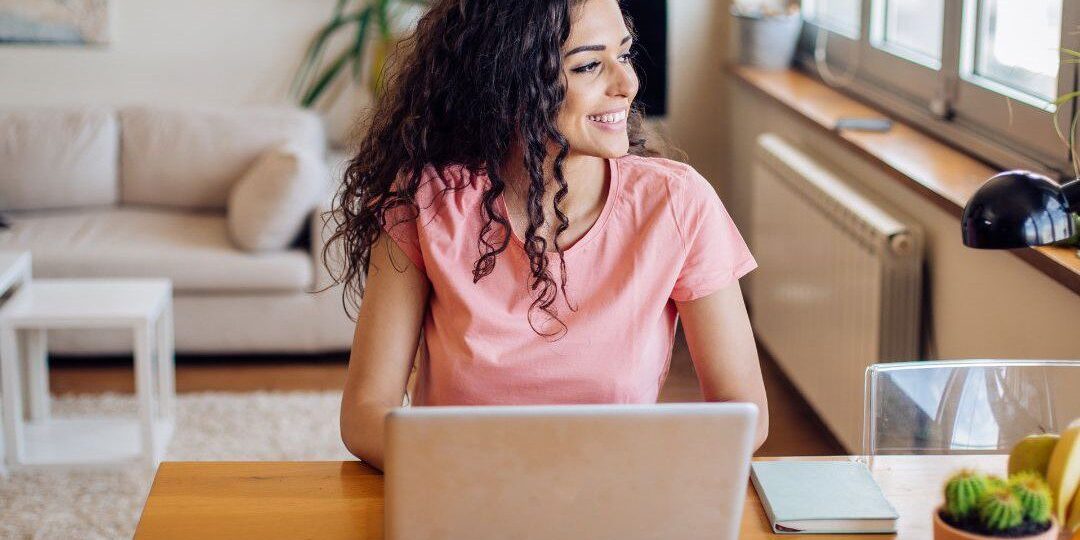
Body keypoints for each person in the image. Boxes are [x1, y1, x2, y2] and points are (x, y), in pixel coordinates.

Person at [325, 0, 768, 471]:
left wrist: (639, 470)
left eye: (626, 54)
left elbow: (745, 413)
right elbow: (365, 413)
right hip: (462, 494)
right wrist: (487, 471)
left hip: (612, 496)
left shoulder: (679, 204)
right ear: (510, 79)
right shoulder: (427, 202)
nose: (627, 84)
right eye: (590, 65)